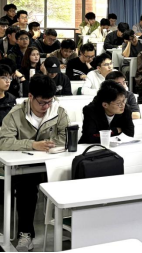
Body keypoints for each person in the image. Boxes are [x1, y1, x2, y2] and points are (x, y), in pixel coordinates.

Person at [0, 74, 69, 251]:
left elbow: (67, 136)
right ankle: (26, 234)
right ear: (30, 96)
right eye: (42, 103)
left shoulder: (58, 111)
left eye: (49, 102)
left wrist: (49, 144)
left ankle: (74, 223)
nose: (46, 107)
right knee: (26, 186)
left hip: (53, 163)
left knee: (73, 175)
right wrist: (32, 144)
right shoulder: (15, 114)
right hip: (24, 167)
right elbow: (4, 141)